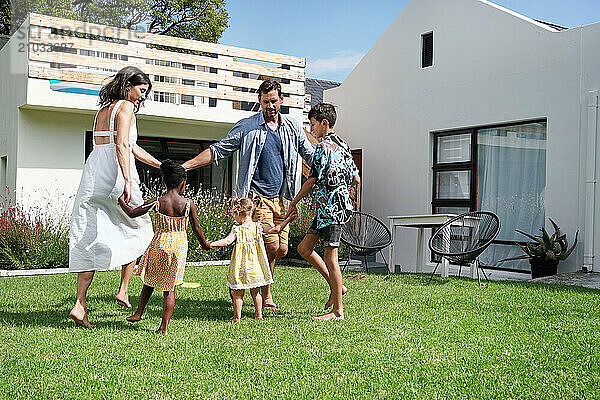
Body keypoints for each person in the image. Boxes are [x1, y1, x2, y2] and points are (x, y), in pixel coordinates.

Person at [182, 79, 314, 310]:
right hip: (256, 199)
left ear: (281, 100)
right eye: (265, 102)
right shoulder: (248, 126)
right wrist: (186, 167)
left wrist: (330, 168)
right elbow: (219, 150)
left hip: (284, 198)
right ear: (259, 102)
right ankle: (265, 293)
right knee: (271, 246)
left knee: (282, 249)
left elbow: (310, 154)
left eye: (273, 101)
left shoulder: (292, 127)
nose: (270, 106)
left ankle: (257, 285)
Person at [69, 66, 161, 328]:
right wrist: (128, 181)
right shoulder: (126, 108)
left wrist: (159, 165)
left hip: (93, 174)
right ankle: (123, 288)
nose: (142, 97)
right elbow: (122, 146)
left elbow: (128, 146)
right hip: (116, 176)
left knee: (89, 237)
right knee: (140, 227)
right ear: (128, 85)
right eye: (141, 91)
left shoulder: (103, 110)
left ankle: (80, 304)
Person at [118, 160, 211, 335]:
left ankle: (138, 313)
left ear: (163, 181)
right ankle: (164, 326)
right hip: (178, 247)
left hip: (159, 243)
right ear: (182, 183)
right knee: (169, 288)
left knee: (149, 280)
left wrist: (121, 201)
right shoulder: (188, 204)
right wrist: (204, 244)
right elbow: (197, 228)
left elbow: (132, 212)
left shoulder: (157, 201)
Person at [287, 103, 360, 320]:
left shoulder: (323, 147)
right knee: (304, 248)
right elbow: (356, 178)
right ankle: (338, 287)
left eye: (313, 125)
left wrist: (294, 201)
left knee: (331, 258)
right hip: (327, 210)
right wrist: (348, 198)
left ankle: (337, 311)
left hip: (332, 211)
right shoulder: (344, 145)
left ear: (324, 123)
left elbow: (312, 180)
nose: (312, 130)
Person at [210, 198, 296, 322]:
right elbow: (276, 230)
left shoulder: (237, 229)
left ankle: (237, 318)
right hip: (255, 266)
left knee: (237, 293)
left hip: (240, 266)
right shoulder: (258, 226)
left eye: (234, 214)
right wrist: (287, 219)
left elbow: (226, 241)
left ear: (238, 213)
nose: (234, 218)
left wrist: (211, 244)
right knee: (256, 293)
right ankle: (258, 315)